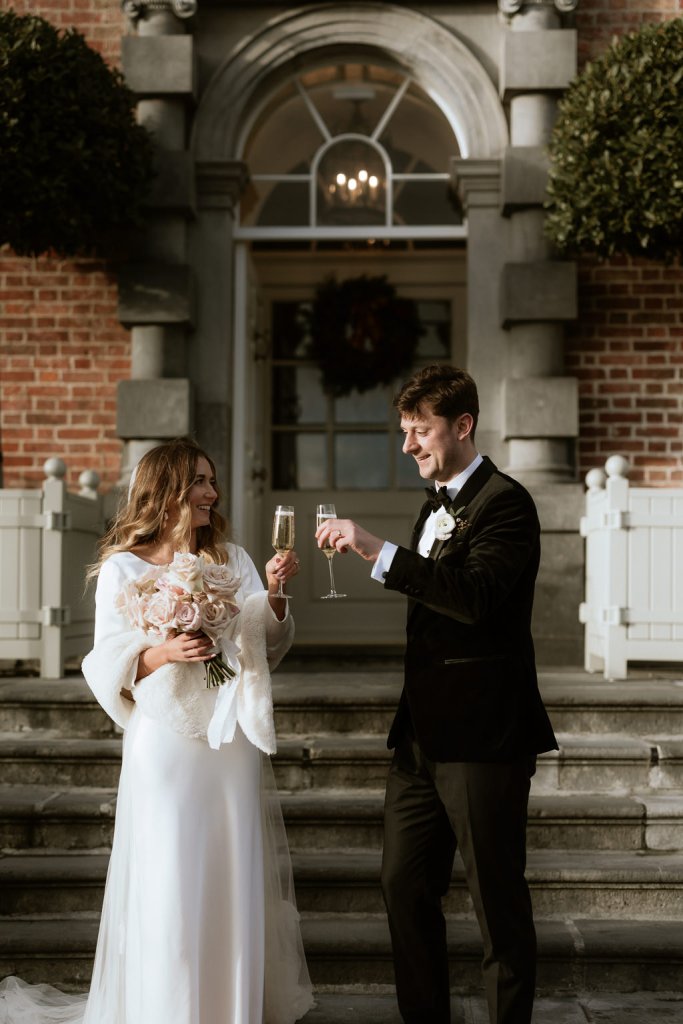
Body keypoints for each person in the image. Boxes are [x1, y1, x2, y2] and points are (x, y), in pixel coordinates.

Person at [0, 438, 314, 1024]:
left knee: (229, 869)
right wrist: (166, 650)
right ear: (167, 488)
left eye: (212, 482)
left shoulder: (234, 558)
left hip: (227, 737)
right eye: (200, 481)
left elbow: (262, 647)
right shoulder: (123, 565)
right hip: (165, 739)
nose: (211, 493)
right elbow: (107, 660)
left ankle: (229, 1008)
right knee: (168, 871)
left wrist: (271, 593)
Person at [315, 365, 557, 1024]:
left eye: (418, 431)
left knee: (495, 901)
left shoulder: (505, 502)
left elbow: (475, 600)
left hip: (483, 736)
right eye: (404, 432)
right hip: (419, 737)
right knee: (402, 884)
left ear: (462, 425)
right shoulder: (434, 503)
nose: (408, 446)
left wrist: (376, 550)